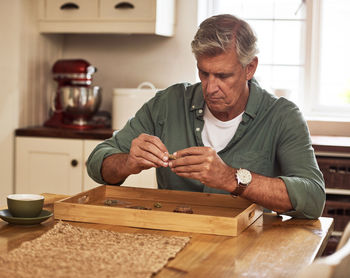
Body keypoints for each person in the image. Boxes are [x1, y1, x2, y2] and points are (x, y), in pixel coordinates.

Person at [87, 14, 325, 219]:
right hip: (171, 241)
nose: (210, 88)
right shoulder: (167, 104)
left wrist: (232, 178)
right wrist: (127, 162)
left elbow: (313, 198)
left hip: (248, 249)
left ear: (250, 68)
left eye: (223, 76)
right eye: (204, 73)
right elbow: (98, 162)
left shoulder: (282, 116)